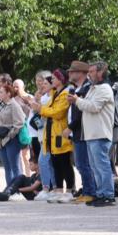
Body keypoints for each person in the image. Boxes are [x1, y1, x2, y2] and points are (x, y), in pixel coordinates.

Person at [69, 61, 116, 207]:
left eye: (92, 71)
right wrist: (79, 101)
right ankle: (100, 193)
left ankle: (108, 195)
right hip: (91, 134)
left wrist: (77, 100)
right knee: (95, 167)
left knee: (102, 166)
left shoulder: (104, 88)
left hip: (100, 133)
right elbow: (86, 105)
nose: (89, 73)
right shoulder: (93, 88)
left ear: (101, 73)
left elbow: (94, 107)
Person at [39, 69, 75, 202]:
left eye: (54, 78)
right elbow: (48, 110)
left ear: (60, 79)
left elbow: (57, 112)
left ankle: (70, 190)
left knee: (64, 162)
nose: (51, 80)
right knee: (55, 163)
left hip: (60, 133)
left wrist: (40, 109)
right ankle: (59, 189)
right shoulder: (54, 93)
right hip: (51, 133)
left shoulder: (65, 93)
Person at [66, 61, 96, 204]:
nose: (70, 74)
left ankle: (90, 191)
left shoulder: (87, 89)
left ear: (81, 73)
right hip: (78, 131)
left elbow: (80, 113)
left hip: (83, 130)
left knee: (83, 163)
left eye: (73, 72)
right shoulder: (77, 89)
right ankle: (86, 190)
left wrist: (70, 127)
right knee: (80, 163)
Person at [26, 71, 56, 201]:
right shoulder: (41, 96)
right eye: (38, 81)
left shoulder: (49, 97)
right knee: (46, 162)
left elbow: (46, 112)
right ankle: (52, 188)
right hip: (40, 134)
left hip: (49, 134)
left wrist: (37, 103)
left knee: (44, 162)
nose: (40, 84)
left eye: (43, 82)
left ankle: (49, 188)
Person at [0, 83, 26, 188]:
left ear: (8, 93)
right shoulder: (2, 105)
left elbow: (20, 122)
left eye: (1, 92)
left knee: (15, 167)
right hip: (2, 140)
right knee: (7, 167)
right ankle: (9, 189)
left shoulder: (14, 105)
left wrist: (10, 135)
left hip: (11, 140)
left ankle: (17, 190)